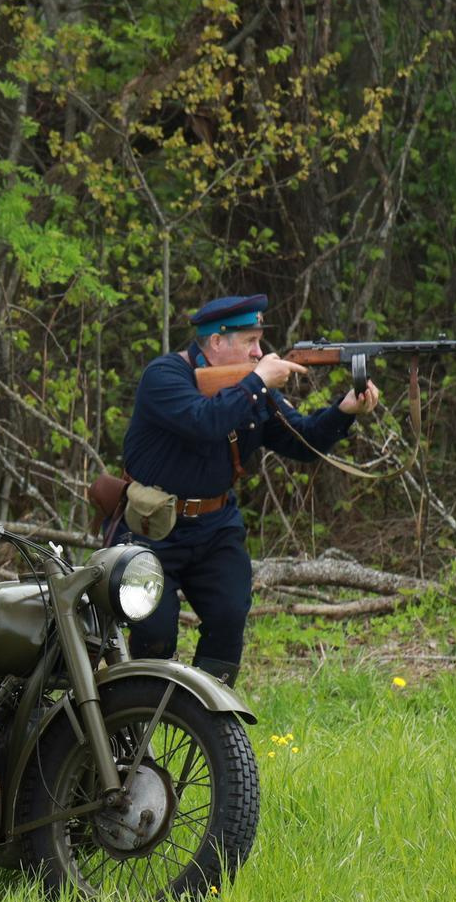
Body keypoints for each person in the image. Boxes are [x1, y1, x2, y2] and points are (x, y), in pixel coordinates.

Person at [119, 293, 380, 684]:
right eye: (250, 342)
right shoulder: (165, 376)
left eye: (259, 342)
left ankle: (209, 711)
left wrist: (343, 412)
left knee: (228, 616)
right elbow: (204, 421)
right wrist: (257, 382)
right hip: (152, 526)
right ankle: (140, 708)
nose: (260, 352)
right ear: (216, 341)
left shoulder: (251, 389)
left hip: (215, 526)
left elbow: (302, 440)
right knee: (154, 631)